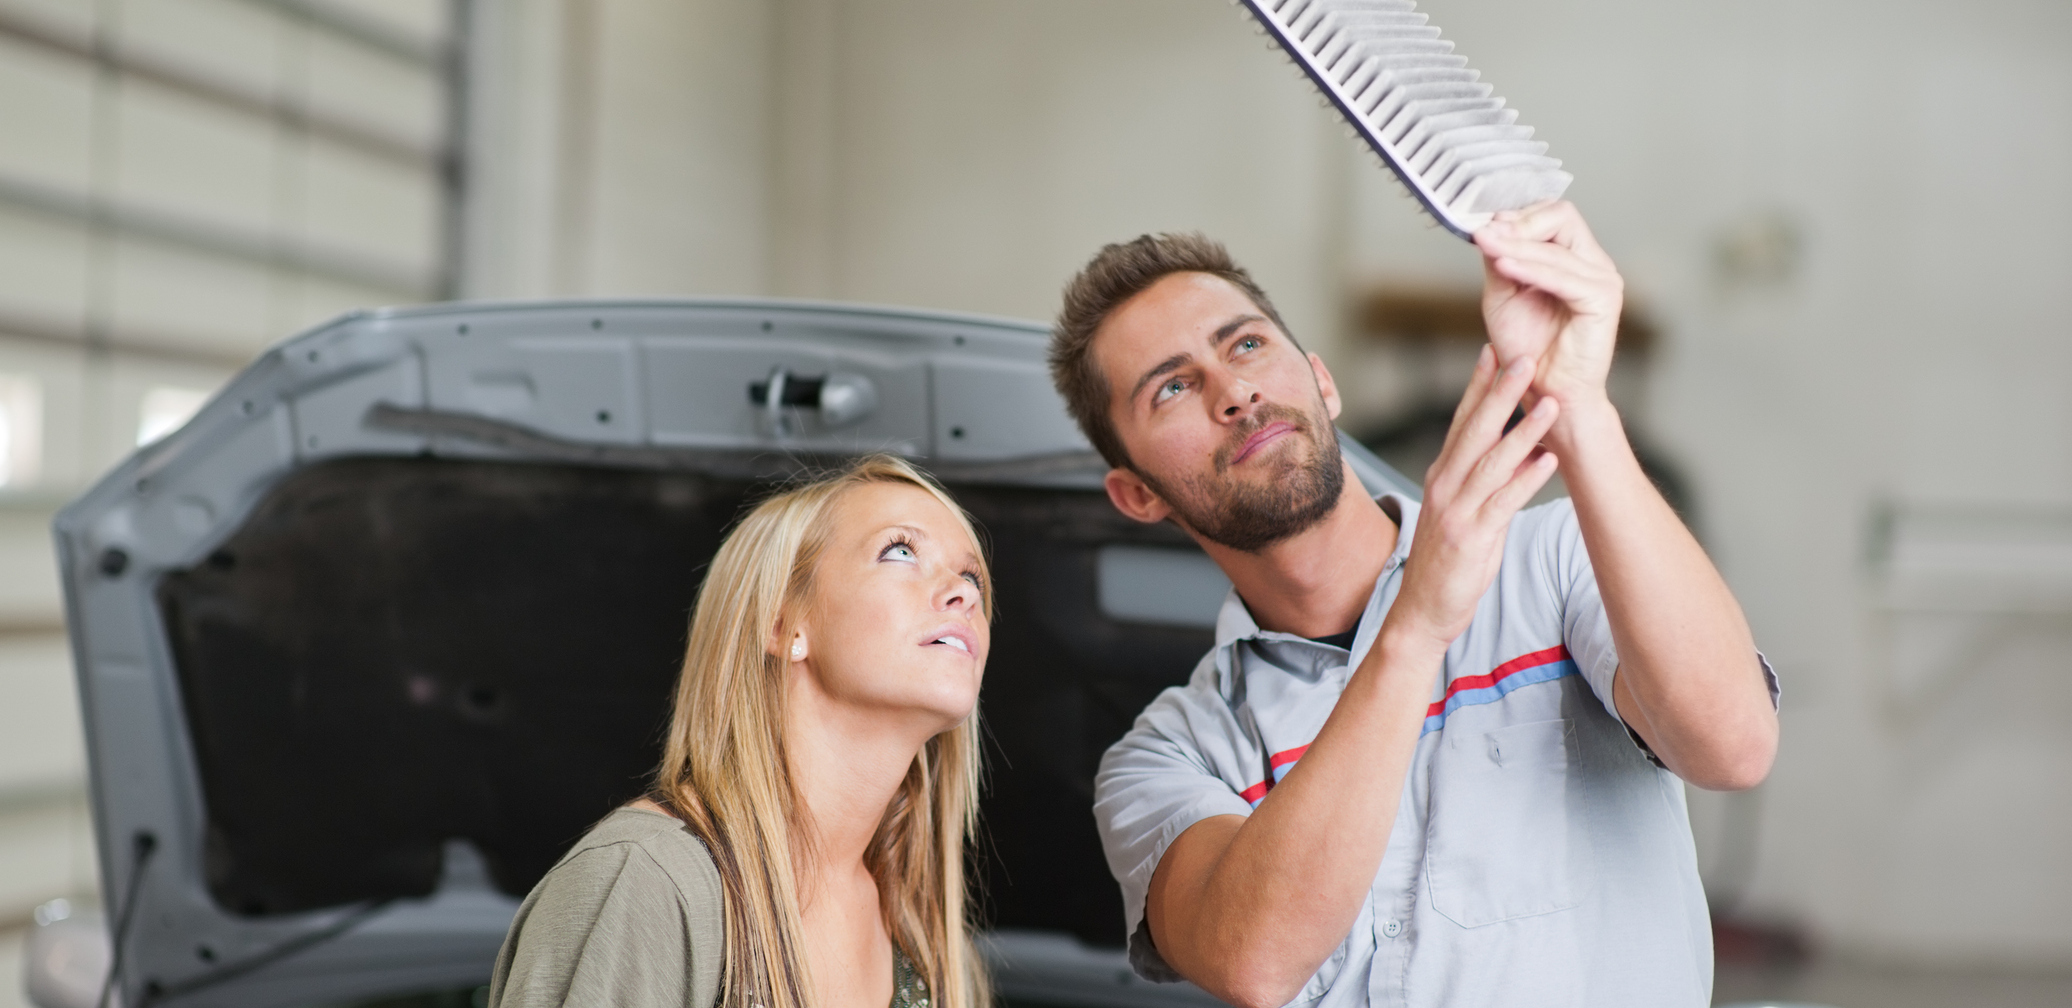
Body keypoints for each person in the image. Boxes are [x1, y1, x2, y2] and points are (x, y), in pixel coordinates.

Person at [1049, 202, 1780, 1007]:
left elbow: (1734, 748)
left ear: (1322, 381)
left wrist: (1580, 409)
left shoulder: (1557, 559)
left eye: (1247, 344)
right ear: (1137, 495)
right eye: (1173, 388)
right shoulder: (1169, 756)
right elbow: (1254, 960)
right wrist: (1416, 624)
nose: (1235, 391)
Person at [488, 455, 993, 1008]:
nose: (964, 594)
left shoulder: (924, 940)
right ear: (782, 623)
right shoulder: (647, 881)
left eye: (972, 577)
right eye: (900, 551)